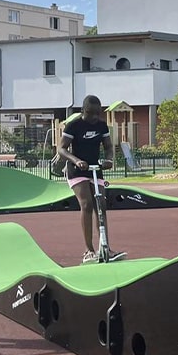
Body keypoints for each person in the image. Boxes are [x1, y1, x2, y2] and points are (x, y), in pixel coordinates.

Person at [56, 95, 121, 263]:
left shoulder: (101, 125)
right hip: (77, 170)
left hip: (94, 169)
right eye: (91, 113)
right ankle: (88, 250)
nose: (94, 117)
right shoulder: (74, 126)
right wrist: (76, 160)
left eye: (97, 113)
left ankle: (104, 248)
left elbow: (108, 146)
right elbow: (61, 149)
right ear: (84, 111)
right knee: (86, 204)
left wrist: (109, 160)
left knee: (101, 204)